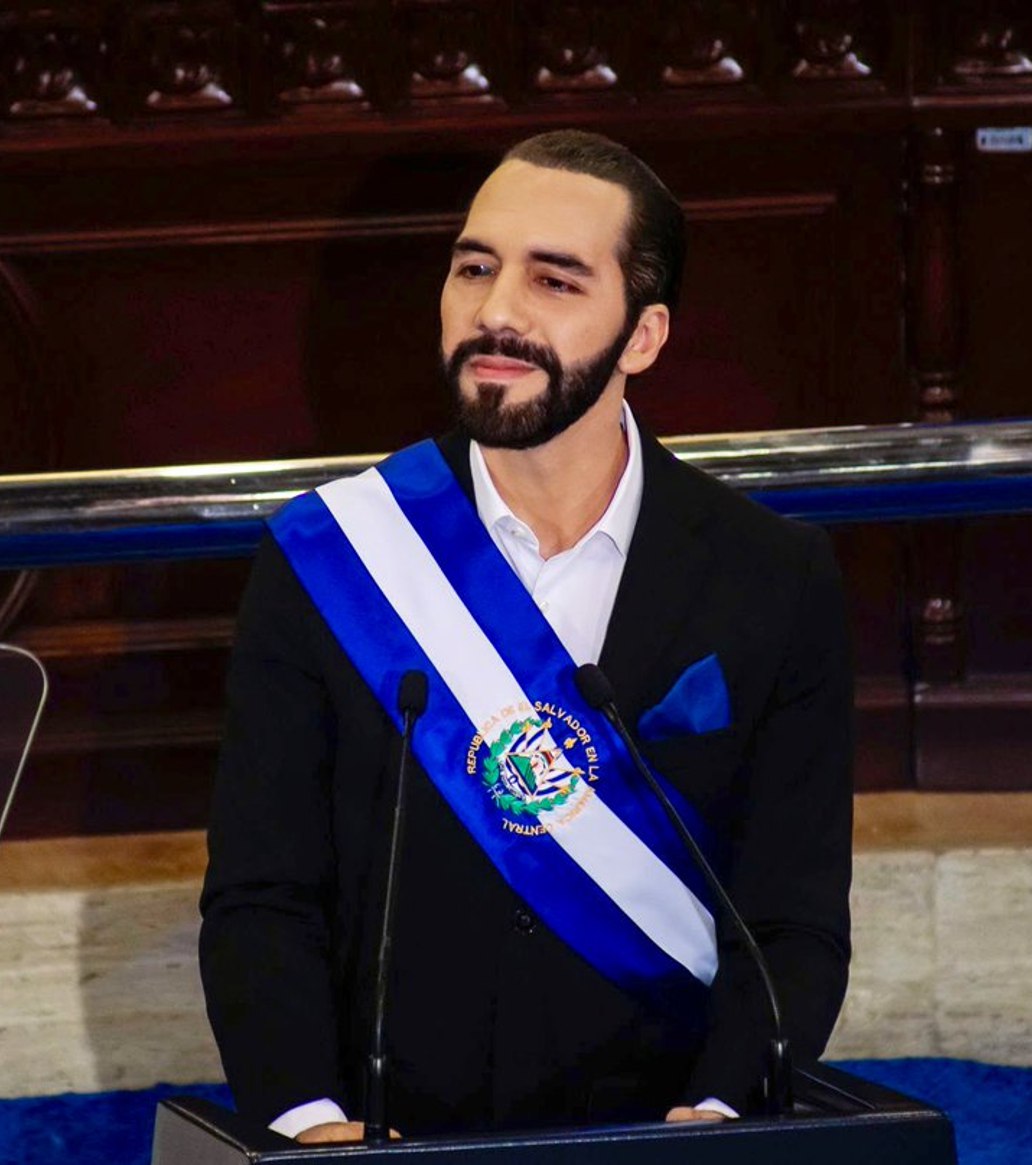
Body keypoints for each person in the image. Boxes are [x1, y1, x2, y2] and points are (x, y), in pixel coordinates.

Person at [199, 129, 852, 1145]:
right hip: (386, 1141)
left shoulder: (774, 578)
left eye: (554, 280)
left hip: (661, 1137)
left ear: (643, 336)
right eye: (474, 268)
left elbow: (793, 920)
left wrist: (724, 1116)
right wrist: (311, 1122)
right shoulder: (328, 558)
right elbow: (261, 898)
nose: (496, 312)